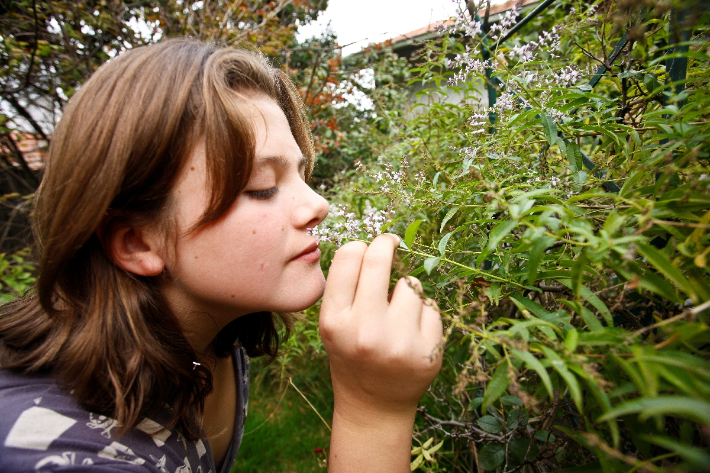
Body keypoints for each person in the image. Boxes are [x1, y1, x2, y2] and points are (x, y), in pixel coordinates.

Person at [0, 39, 442, 472]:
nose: (317, 205)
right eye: (262, 187)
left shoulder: (216, 333)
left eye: (302, 175)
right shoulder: (61, 452)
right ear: (138, 242)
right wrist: (373, 411)